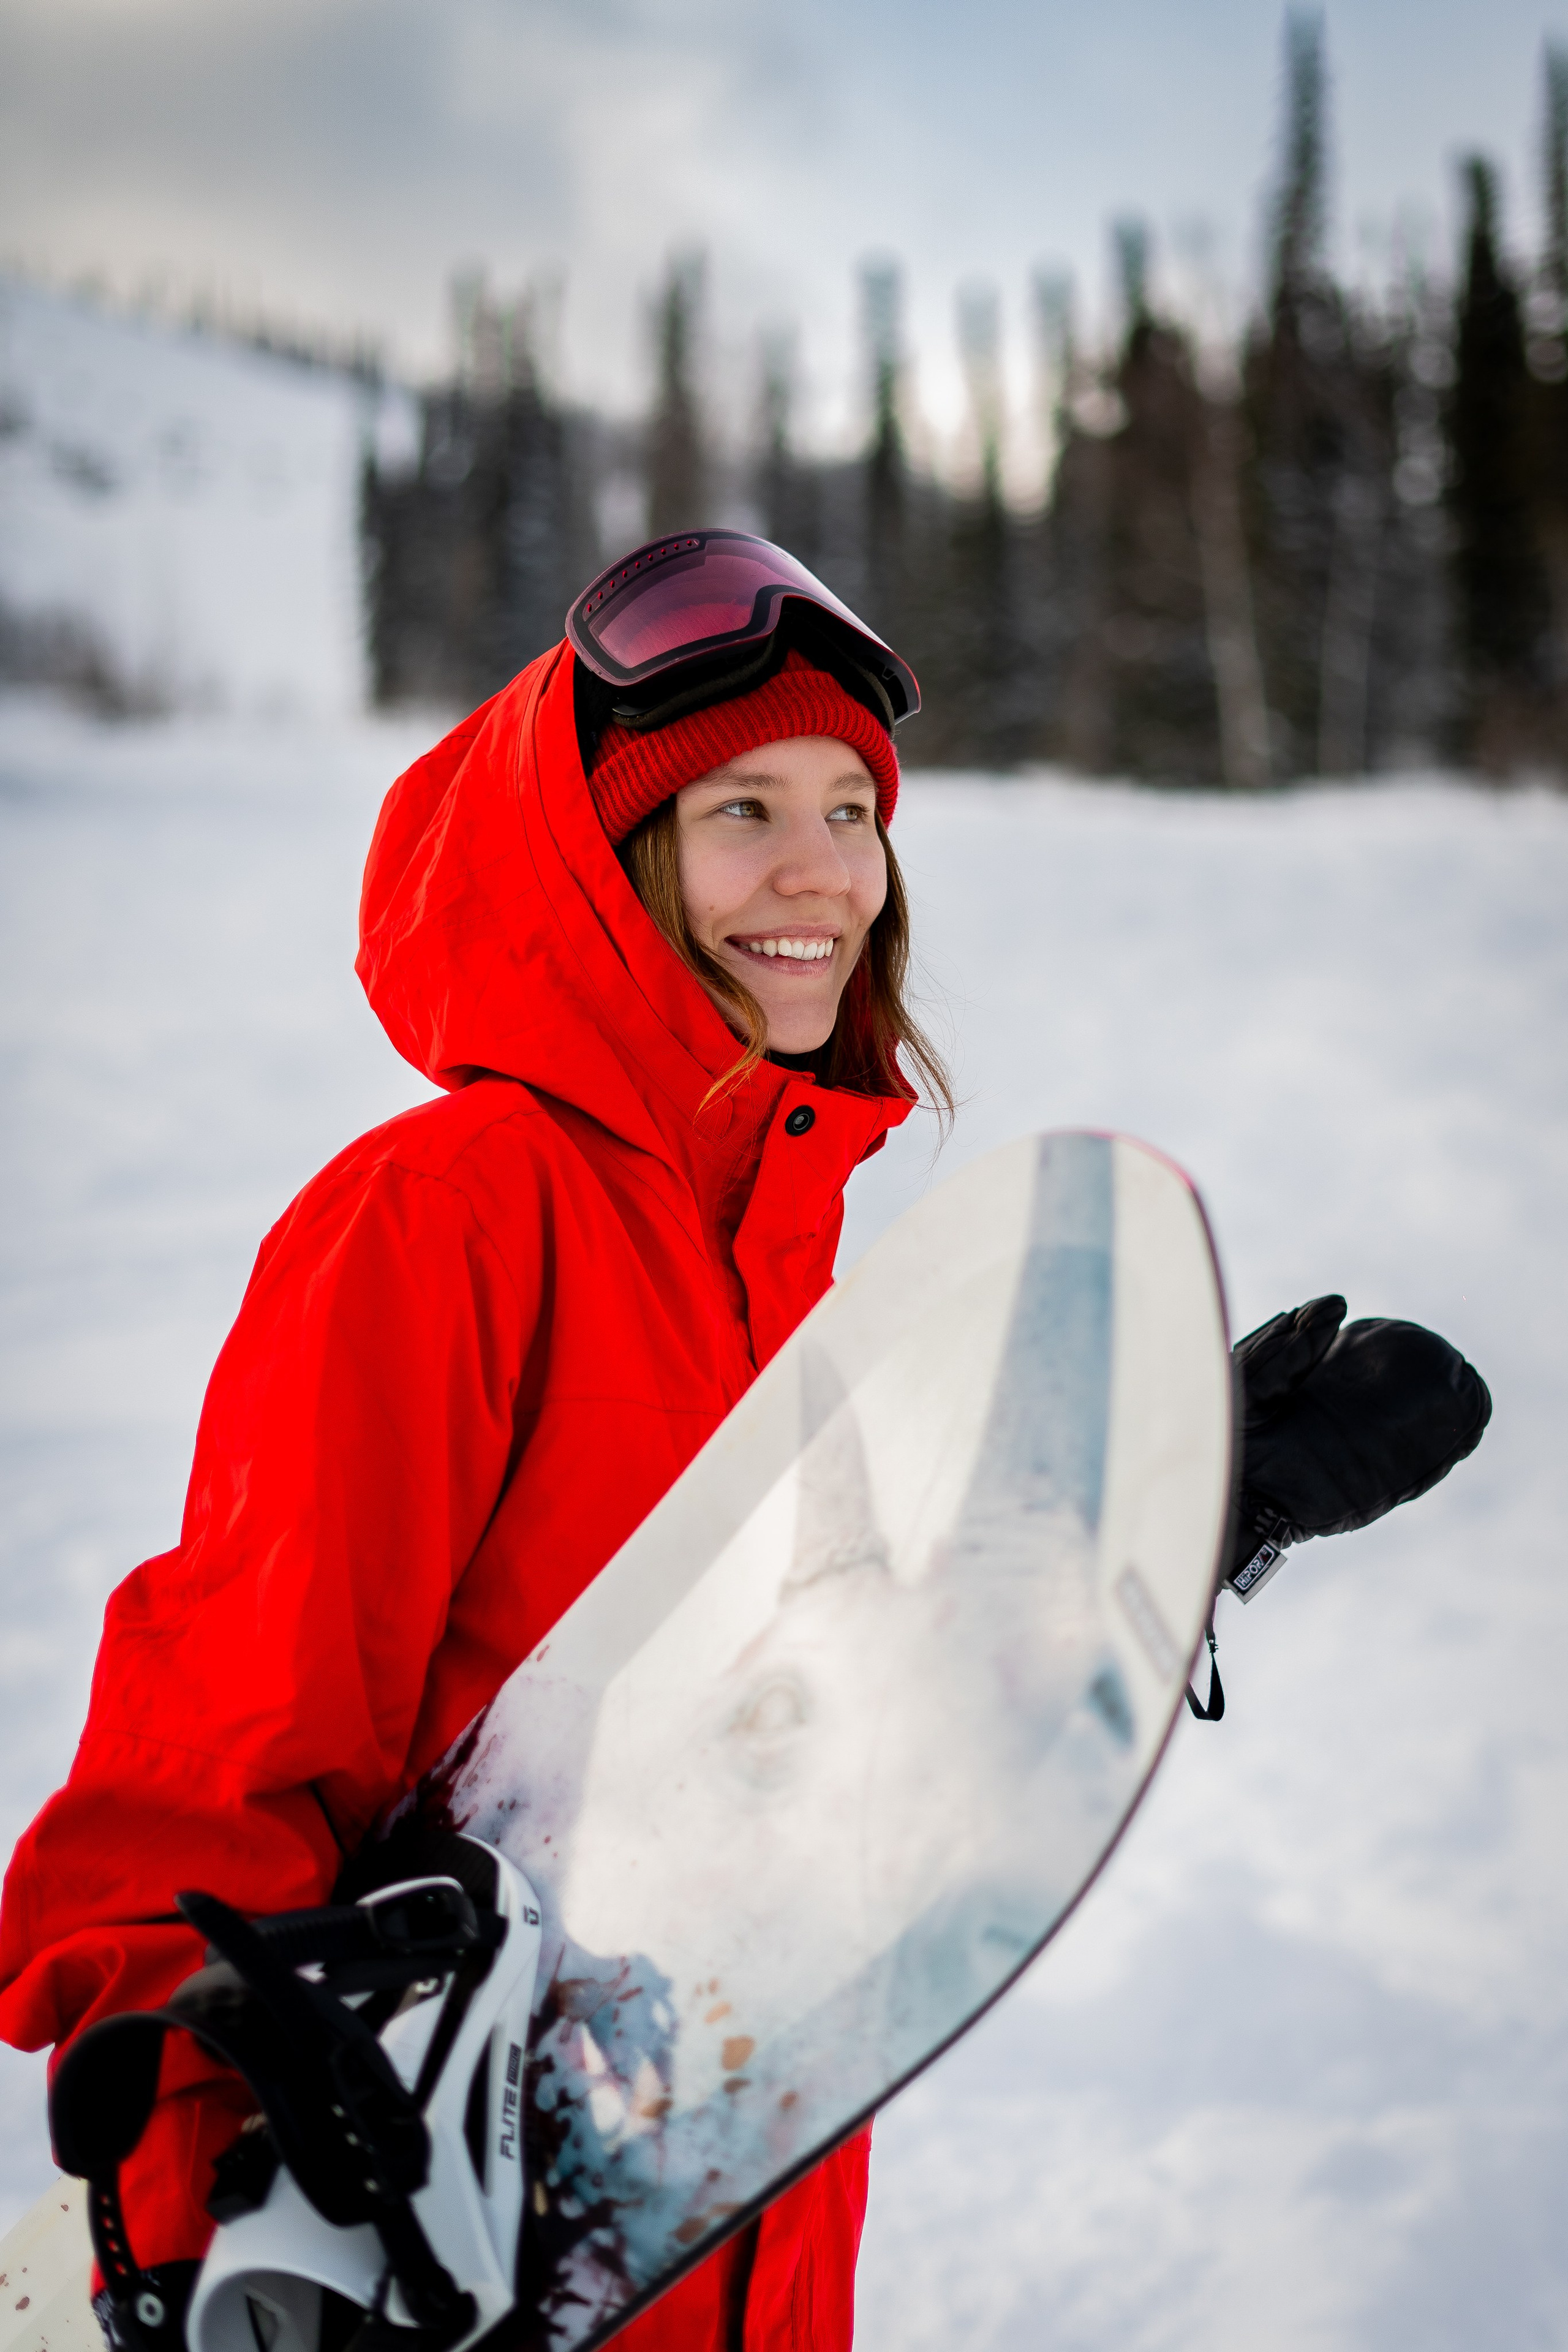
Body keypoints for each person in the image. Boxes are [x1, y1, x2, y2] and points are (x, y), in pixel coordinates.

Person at [0, 531, 1490, 2352]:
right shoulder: (448, 1212)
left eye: (856, 809)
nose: (821, 872)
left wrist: (1168, 1507)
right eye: (741, 811)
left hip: (723, 2230)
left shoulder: (784, 1254)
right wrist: (201, 2225)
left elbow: (793, 1736)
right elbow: (217, 1739)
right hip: (422, 2241)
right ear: (607, 861)